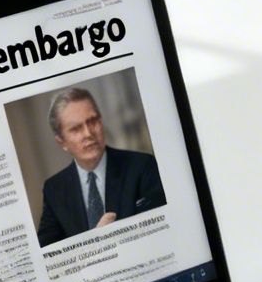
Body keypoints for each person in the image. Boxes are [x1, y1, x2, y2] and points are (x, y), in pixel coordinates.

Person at [34, 87, 165, 246]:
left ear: (101, 122)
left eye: (92, 121)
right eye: (76, 129)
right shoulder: (54, 189)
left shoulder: (142, 166)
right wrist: (95, 243)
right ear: (62, 142)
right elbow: (47, 254)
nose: (88, 133)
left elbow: (160, 231)